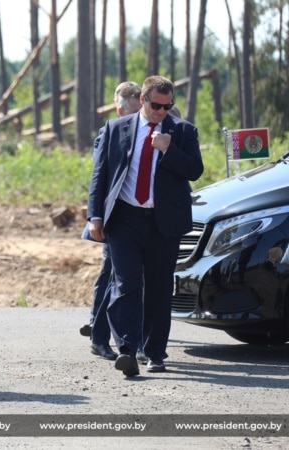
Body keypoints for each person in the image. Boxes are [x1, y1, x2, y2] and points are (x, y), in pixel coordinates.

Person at [87, 75, 203, 377]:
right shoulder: (116, 128)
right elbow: (101, 175)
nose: (162, 111)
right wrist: (94, 216)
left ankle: (154, 353)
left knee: (158, 289)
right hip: (125, 220)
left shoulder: (183, 132)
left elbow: (195, 170)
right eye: (156, 105)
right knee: (126, 285)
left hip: (162, 223)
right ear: (143, 100)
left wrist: (169, 149)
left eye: (168, 106)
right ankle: (127, 349)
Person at [80, 82, 142, 362]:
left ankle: (108, 334)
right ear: (120, 109)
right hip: (113, 220)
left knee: (116, 278)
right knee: (114, 278)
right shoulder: (109, 132)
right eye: (136, 110)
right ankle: (102, 335)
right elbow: (102, 176)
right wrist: (97, 218)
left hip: (136, 219)